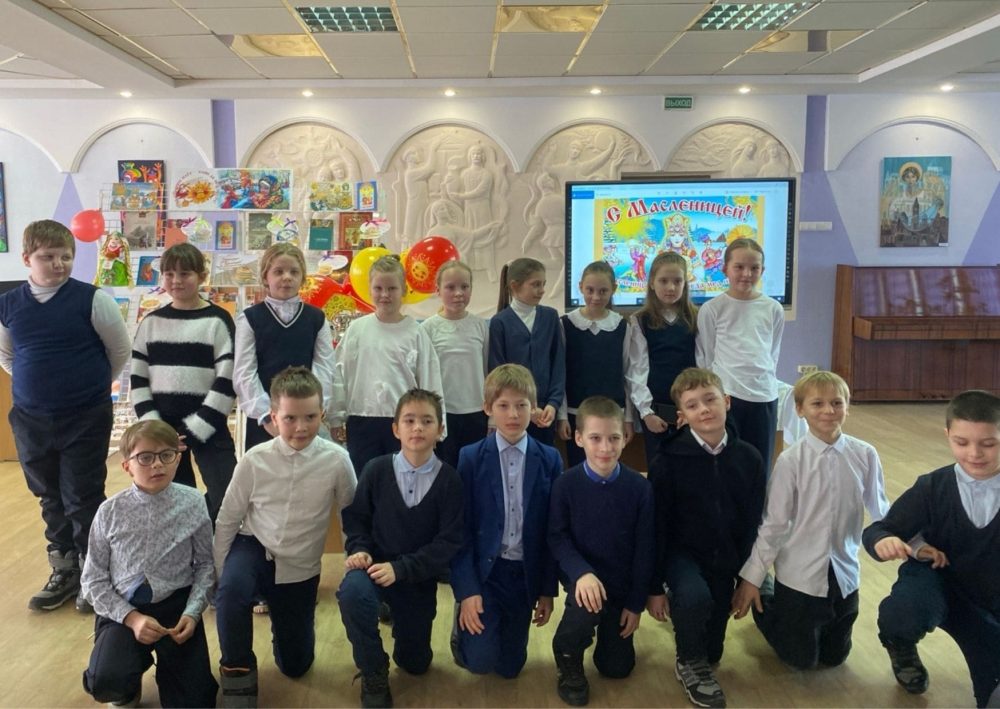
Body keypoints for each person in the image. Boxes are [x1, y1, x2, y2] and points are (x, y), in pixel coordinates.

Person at [0, 219, 130, 612]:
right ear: (27, 259)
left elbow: (119, 352)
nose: (58, 264)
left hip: (85, 416)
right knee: (49, 495)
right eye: (48, 257)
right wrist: (36, 388)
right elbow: (8, 357)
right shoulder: (8, 305)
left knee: (82, 495)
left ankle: (95, 573)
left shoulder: (93, 300)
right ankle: (64, 570)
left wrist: (88, 387)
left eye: (66, 256)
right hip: (32, 419)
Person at [214, 367, 357, 707]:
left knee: (296, 665)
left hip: (300, 564)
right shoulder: (254, 460)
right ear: (274, 417)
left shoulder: (337, 461)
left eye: (310, 417)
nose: (301, 427)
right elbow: (228, 519)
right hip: (253, 546)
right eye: (290, 418)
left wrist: (353, 562)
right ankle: (237, 670)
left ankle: (285, 626)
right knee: (231, 592)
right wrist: (221, 573)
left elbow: (351, 517)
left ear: (322, 414)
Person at [731, 371, 890, 671]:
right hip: (799, 577)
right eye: (817, 403)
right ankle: (767, 596)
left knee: (835, 658)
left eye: (837, 403)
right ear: (800, 409)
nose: (829, 410)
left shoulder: (865, 454)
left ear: (847, 406)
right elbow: (774, 525)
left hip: (844, 571)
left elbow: (882, 509)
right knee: (800, 659)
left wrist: (908, 543)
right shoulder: (790, 462)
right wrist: (752, 577)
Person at [863, 389, 1000, 709]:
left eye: (989, 443)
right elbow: (879, 529)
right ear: (947, 435)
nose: (974, 453)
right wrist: (884, 541)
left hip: (991, 597)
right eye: (962, 442)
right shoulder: (932, 486)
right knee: (902, 612)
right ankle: (900, 644)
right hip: (938, 583)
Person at [646, 368, 765, 708]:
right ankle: (687, 661)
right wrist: (654, 587)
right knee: (695, 600)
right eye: (693, 405)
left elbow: (753, 522)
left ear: (726, 401)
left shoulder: (750, 458)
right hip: (681, 555)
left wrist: (748, 576)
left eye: (710, 399)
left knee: (713, 653)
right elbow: (656, 527)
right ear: (682, 417)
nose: (704, 409)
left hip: (725, 556)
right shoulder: (667, 461)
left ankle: (696, 621)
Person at [337, 389, 463, 708]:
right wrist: (359, 548)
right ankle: (373, 668)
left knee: (415, 664)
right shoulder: (376, 470)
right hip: (373, 569)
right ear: (396, 429)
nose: (417, 427)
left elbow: (448, 542)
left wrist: (402, 569)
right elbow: (357, 519)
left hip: (416, 578)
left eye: (427, 421)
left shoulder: (449, 480)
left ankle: (398, 619)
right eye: (409, 420)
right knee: (352, 593)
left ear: (440, 429)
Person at [80, 420, 217, 708]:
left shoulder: (193, 502)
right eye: (145, 457)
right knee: (106, 680)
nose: (157, 464)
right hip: (124, 607)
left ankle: (172, 671)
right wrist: (132, 619)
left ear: (178, 459)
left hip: (175, 605)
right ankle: (128, 683)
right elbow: (92, 580)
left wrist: (192, 613)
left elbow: (206, 565)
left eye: (167, 455)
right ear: (127, 466)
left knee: (196, 701)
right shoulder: (109, 511)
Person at [451, 363, 563, 678]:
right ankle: (464, 627)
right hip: (486, 573)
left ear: (534, 408)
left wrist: (547, 590)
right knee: (480, 662)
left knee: (510, 668)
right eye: (503, 406)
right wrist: (467, 591)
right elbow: (461, 531)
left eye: (521, 405)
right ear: (488, 408)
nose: (513, 414)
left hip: (523, 574)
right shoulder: (470, 457)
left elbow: (553, 531)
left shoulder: (550, 458)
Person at [548, 396, 654, 706]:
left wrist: (635, 604)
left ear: (625, 437)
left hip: (621, 584)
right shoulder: (565, 485)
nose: (605, 448)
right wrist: (581, 573)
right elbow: (557, 537)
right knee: (585, 608)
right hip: (583, 581)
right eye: (595, 438)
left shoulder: (640, 488)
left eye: (613, 438)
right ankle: (568, 652)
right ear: (579, 438)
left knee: (617, 668)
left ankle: (608, 632)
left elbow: (645, 548)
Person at [130, 242, 237, 523]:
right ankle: (188, 542)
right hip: (162, 431)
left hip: (209, 425)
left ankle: (205, 533)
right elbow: (138, 379)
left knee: (228, 492)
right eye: (169, 274)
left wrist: (196, 428)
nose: (176, 280)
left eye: (185, 273)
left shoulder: (218, 320)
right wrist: (156, 428)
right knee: (174, 500)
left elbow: (227, 378)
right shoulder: (151, 322)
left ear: (202, 276)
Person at [337, 255, 445, 476]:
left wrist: (436, 427)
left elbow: (430, 379)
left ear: (403, 290)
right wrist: (335, 416)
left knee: (400, 480)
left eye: (392, 288)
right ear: (370, 290)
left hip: (405, 423)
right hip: (361, 419)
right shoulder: (357, 330)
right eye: (378, 288)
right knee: (364, 479)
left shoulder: (415, 332)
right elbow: (339, 374)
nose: (385, 294)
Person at [233, 242, 343, 451]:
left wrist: (313, 412)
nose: (287, 277)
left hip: (305, 420)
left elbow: (325, 368)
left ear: (303, 277)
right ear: (265, 277)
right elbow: (244, 372)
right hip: (265, 422)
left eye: (294, 271)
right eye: (278, 271)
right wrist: (267, 416)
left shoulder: (316, 318)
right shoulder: (250, 319)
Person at [696, 237, 784, 475]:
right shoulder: (712, 309)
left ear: (762, 271)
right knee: (727, 465)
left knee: (759, 465)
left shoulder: (773, 308)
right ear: (725, 269)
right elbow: (706, 356)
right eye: (739, 267)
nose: (747, 274)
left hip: (763, 397)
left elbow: (772, 353)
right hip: (728, 397)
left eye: (754, 268)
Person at [557, 261, 639, 467]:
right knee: (579, 470)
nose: (596, 297)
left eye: (603, 291)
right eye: (590, 290)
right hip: (576, 413)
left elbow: (627, 373)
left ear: (614, 289)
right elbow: (560, 373)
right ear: (580, 287)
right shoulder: (565, 324)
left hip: (613, 414)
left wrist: (629, 418)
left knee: (608, 466)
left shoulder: (622, 326)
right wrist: (562, 415)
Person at [628, 251, 698, 471]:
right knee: (660, 470)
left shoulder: (696, 317)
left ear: (685, 283)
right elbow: (637, 370)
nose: (671, 287)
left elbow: (704, 364)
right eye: (663, 281)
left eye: (677, 281)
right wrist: (646, 412)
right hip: (657, 412)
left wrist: (697, 408)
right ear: (651, 283)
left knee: (690, 470)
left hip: (691, 410)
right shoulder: (640, 320)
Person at [489, 257, 565, 447]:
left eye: (543, 284)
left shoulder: (550, 317)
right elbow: (497, 371)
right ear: (515, 286)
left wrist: (553, 404)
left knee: (543, 457)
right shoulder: (500, 322)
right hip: (513, 412)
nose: (542, 290)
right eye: (536, 284)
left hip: (546, 412)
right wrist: (527, 408)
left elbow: (558, 363)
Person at [420, 260, 489, 469]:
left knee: (473, 469)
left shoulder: (481, 326)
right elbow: (424, 375)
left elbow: (488, 371)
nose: (458, 293)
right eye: (450, 287)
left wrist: (491, 415)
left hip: (476, 412)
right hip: (443, 413)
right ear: (438, 290)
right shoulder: (428, 328)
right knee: (445, 470)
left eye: (464, 287)